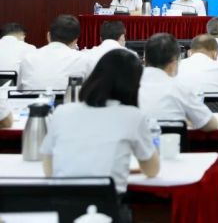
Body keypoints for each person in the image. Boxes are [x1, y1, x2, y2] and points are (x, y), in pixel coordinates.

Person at [40, 49, 159, 222]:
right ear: (134, 86)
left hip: (62, 211)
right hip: (110, 211)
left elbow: (48, 169)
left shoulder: (62, 112)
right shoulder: (132, 116)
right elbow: (152, 170)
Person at [138, 33, 218, 131]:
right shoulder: (181, 88)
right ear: (174, 63)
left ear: (145, 59)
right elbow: (211, 124)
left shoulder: (129, 84)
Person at [18, 15, 89, 90]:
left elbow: (19, 90)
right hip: (69, 97)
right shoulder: (84, 60)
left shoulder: (28, 58)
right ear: (75, 41)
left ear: (48, 36)